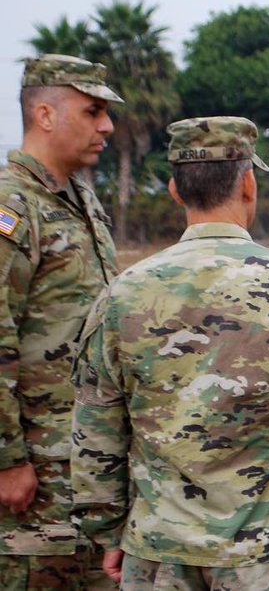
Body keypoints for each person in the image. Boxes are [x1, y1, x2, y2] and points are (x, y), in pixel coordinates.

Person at [70, 116, 269, 590]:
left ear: (174, 189)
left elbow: (96, 425)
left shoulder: (122, 294)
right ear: (248, 183)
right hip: (263, 553)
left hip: (155, 549)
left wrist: (106, 528)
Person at [0, 54, 123, 590]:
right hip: (35, 475)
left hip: (87, 469)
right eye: (93, 110)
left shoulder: (81, 200)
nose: (107, 126)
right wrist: (7, 459)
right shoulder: (12, 204)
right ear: (45, 115)